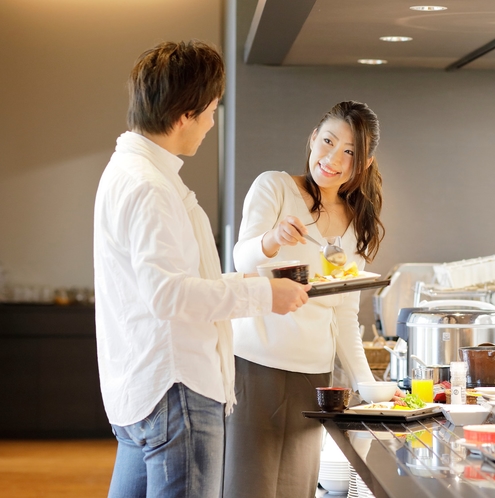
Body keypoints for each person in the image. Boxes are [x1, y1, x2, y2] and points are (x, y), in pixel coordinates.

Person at [93, 40, 312, 498]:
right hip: (176, 388)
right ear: (183, 114)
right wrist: (263, 297)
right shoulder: (150, 186)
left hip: (143, 389)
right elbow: (169, 295)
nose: (212, 123)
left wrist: (255, 283)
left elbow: (172, 284)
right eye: (211, 110)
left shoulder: (127, 171)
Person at [223, 101, 388, 498]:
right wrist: (273, 239)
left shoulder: (356, 223)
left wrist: (367, 385)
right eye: (328, 141)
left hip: (313, 374)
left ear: (363, 163)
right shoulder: (275, 186)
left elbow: (346, 314)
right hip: (252, 362)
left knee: (296, 490)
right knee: (246, 487)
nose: (333, 158)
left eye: (349, 151)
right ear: (313, 139)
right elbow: (241, 257)